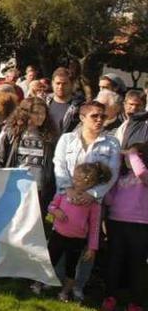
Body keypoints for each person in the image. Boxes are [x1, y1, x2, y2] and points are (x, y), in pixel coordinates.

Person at [53, 100, 121, 301]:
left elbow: (113, 173)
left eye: (103, 116)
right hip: (67, 199)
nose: (100, 120)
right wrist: (69, 189)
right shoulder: (67, 139)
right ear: (82, 118)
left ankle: (77, 285)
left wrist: (92, 195)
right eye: (95, 116)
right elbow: (59, 165)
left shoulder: (111, 143)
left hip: (93, 204)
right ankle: (55, 280)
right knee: (59, 241)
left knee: (86, 246)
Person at [47, 162, 110, 302]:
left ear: (91, 183)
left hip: (76, 240)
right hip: (57, 235)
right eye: (74, 178)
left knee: (72, 268)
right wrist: (55, 211)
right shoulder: (64, 193)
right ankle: (40, 283)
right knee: (49, 260)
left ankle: (65, 292)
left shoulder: (94, 203)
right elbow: (51, 206)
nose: (75, 182)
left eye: (79, 180)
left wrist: (92, 247)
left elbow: (94, 227)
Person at [101, 142, 148, 311]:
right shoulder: (121, 176)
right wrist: (109, 183)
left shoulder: (144, 174)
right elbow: (109, 200)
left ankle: (136, 302)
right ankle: (110, 296)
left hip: (140, 225)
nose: (130, 160)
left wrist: (132, 153)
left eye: (137, 157)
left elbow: (141, 173)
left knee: (137, 264)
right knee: (114, 261)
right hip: (116, 222)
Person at [0, 98, 58, 208]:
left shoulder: (50, 136)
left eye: (43, 113)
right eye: (36, 113)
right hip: (15, 187)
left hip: (39, 189)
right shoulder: (12, 133)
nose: (41, 116)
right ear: (25, 113)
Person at [47, 67, 84, 135]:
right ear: (52, 83)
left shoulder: (81, 108)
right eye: (58, 83)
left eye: (64, 84)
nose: (60, 87)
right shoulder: (43, 103)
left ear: (72, 84)